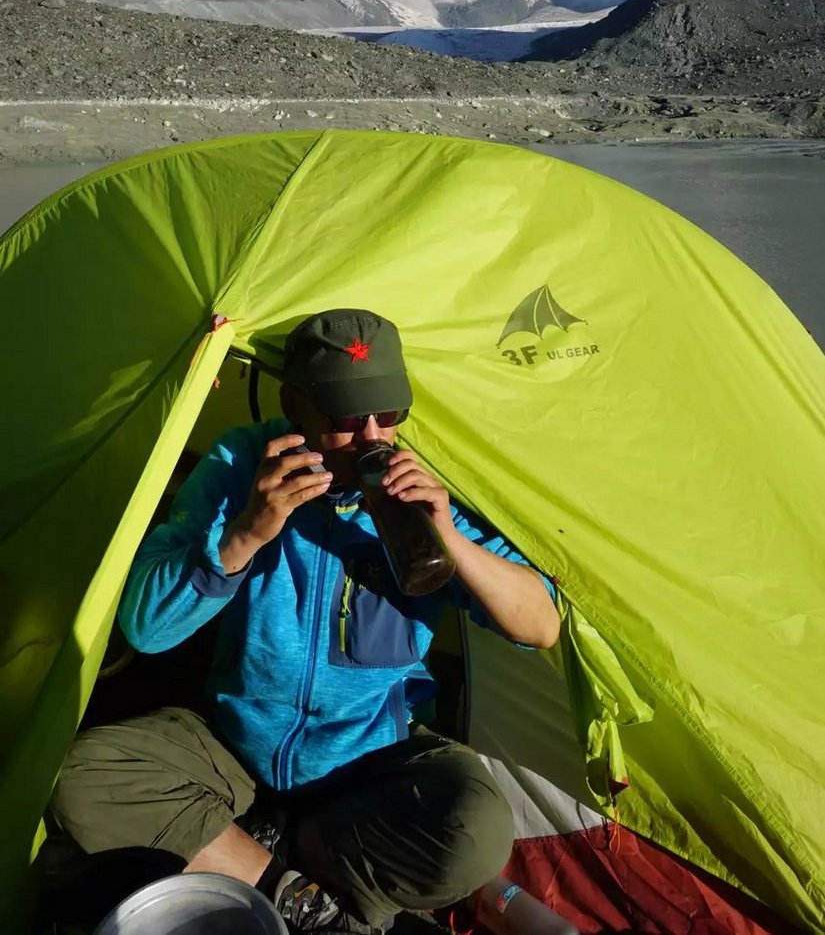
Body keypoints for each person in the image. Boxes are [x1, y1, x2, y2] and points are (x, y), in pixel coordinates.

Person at [52, 309, 560, 932]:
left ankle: (260, 854)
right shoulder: (243, 465)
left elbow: (540, 625)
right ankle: (306, 903)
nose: (372, 436)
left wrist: (450, 538)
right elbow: (147, 627)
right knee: (80, 774)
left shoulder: (423, 482)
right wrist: (244, 535)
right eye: (346, 419)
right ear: (296, 405)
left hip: (372, 758)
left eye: (389, 415)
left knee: (475, 829)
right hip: (235, 745)